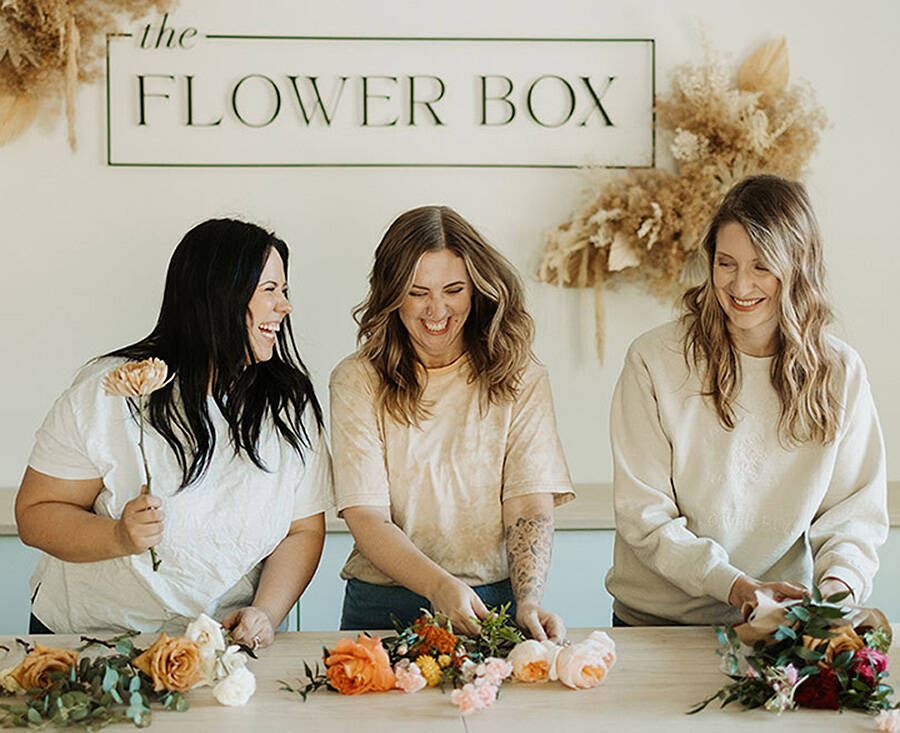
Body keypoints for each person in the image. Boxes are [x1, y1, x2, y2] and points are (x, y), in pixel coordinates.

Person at [16, 218, 333, 648]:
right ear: (220, 295)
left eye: (284, 290)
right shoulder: (111, 389)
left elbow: (302, 530)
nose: (285, 306)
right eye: (269, 290)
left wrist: (266, 613)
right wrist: (117, 536)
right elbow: (36, 513)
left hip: (220, 644)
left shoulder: (288, 405)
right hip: (91, 638)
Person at [605, 174, 888, 626]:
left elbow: (852, 515)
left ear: (798, 268)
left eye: (761, 266)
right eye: (726, 263)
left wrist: (836, 594)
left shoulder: (840, 372)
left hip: (782, 622)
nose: (740, 286)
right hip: (659, 622)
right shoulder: (654, 359)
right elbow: (645, 515)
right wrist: (736, 587)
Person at [330, 205, 574, 640]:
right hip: (383, 603)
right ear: (391, 294)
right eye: (417, 292)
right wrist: (439, 586)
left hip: (493, 601)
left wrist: (528, 600)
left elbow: (527, 504)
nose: (437, 309)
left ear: (477, 290)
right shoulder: (357, 379)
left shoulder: (521, 376)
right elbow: (366, 516)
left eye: (454, 290)